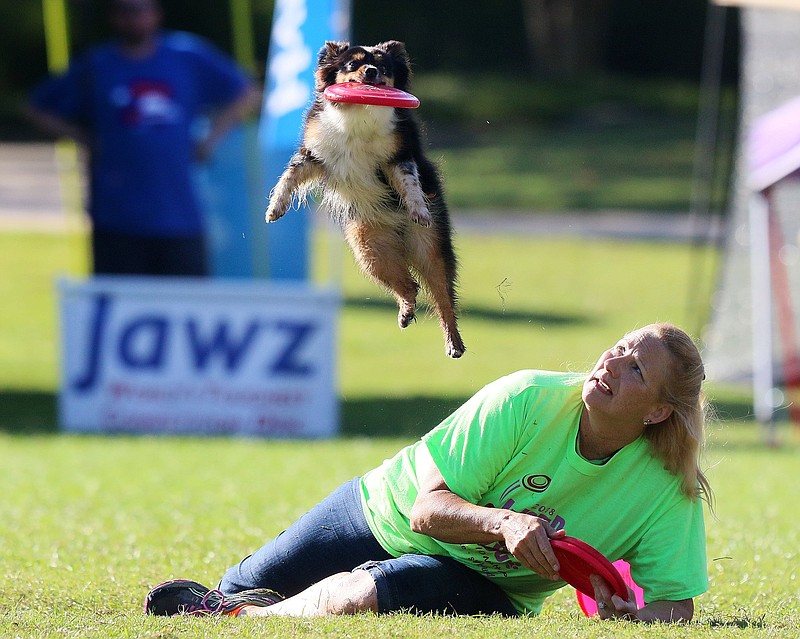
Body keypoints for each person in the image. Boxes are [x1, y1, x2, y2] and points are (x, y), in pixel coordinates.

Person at [145, 322, 713, 622]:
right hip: (383, 509)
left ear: (659, 411)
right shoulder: (526, 398)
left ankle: (245, 625)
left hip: (489, 585)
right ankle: (240, 608)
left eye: (635, 368)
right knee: (238, 589)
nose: (609, 362)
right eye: (617, 348)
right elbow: (426, 511)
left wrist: (631, 617)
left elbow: (674, 606)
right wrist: (506, 525)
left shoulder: (667, 489)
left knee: (382, 588)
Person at [24, 0, 259, 276]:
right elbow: (36, 108)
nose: (134, 18)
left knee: (185, 306)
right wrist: (80, 137)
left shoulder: (186, 55)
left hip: (179, 216)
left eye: (141, 10)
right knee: (119, 304)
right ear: (113, 16)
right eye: (125, 11)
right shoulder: (97, 65)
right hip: (116, 217)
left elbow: (247, 93)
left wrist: (210, 138)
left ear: (156, 13)